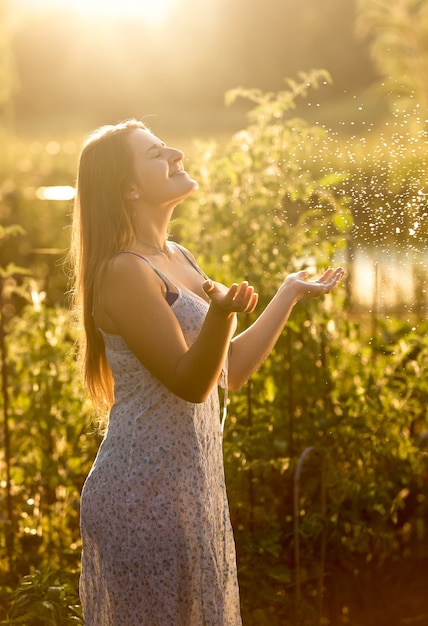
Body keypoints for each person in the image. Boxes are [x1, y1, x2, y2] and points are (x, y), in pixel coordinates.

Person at [70, 118, 344, 626]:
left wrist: (286, 293)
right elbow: (190, 382)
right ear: (129, 187)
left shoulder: (177, 257)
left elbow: (229, 370)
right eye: (155, 152)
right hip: (141, 495)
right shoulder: (125, 271)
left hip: (191, 492)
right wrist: (221, 314)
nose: (174, 152)